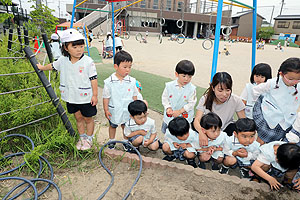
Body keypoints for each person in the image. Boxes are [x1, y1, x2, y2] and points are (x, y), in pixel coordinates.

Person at [37, 29, 98, 150]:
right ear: (66, 47)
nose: (79, 49)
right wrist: (42, 67)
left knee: (88, 118)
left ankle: (89, 139)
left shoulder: (88, 62)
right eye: (75, 47)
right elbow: (52, 66)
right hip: (71, 96)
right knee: (78, 118)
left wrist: (95, 95)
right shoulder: (63, 60)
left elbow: (93, 79)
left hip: (85, 97)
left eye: (81, 46)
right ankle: (82, 138)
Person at [252, 57, 300, 144]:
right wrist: (256, 104)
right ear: (281, 74)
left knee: (278, 143)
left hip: (287, 120)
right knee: (262, 140)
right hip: (269, 117)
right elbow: (256, 90)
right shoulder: (273, 83)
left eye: (297, 79)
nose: (294, 82)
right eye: (290, 79)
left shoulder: (298, 86)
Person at [193, 72, 245, 147]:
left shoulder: (236, 100)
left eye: (228, 90)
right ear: (213, 88)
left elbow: (243, 121)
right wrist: (201, 133)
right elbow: (197, 119)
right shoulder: (205, 99)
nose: (224, 94)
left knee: (236, 127)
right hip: (209, 130)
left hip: (226, 130)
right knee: (194, 125)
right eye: (220, 90)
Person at [103, 50, 138, 149]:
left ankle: (126, 141)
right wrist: (106, 110)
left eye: (130, 67)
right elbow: (106, 97)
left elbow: (134, 95)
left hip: (127, 109)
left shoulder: (131, 81)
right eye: (125, 67)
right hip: (114, 108)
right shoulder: (109, 82)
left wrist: (135, 109)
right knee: (113, 125)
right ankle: (111, 140)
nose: (128, 70)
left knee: (125, 126)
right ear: (116, 66)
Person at [161, 60, 196, 134]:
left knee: (183, 134)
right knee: (168, 133)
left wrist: (180, 111)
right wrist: (168, 107)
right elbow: (165, 98)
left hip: (184, 118)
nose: (186, 79)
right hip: (170, 116)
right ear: (176, 74)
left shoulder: (192, 89)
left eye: (189, 76)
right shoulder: (169, 86)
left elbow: (191, 103)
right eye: (183, 76)